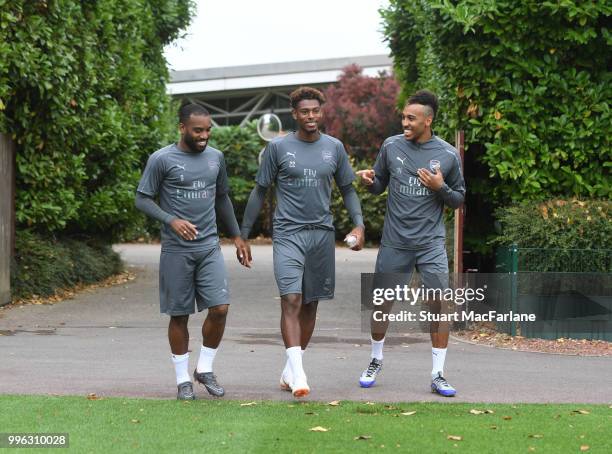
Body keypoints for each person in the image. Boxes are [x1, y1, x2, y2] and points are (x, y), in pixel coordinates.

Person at [240, 87, 365, 398]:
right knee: (292, 299)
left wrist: (360, 225)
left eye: (315, 111)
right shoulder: (278, 149)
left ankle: (290, 369)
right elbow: (259, 191)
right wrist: (243, 234)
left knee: (310, 304)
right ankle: (299, 377)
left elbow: (348, 189)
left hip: (321, 234)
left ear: (321, 113)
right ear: (294, 114)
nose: (311, 116)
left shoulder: (334, 148)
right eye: (305, 112)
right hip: (288, 233)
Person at [135, 103, 250, 400]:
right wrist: (170, 220)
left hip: (209, 246)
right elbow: (142, 199)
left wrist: (237, 236)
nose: (204, 136)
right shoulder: (161, 159)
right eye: (198, 130)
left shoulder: (216, 158)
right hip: (176, 250)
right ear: (182, 127)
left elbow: (222, 197)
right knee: (179, 315)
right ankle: (183, 380)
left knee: (220, 308)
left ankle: (205, 369)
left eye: (208, 130)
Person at [356, 90, 465, 396]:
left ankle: (438, 374)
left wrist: (440, 186)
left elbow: (458, 200)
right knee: (381, 303)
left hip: (430, 244)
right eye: (403, 116)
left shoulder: (447, 154)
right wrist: (369, 181)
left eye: (411, 118)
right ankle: (375, 359)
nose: (404, 122)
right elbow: (379, 184)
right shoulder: (391, 146)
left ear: (428, 121)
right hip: (395, 242)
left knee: (439, 305)